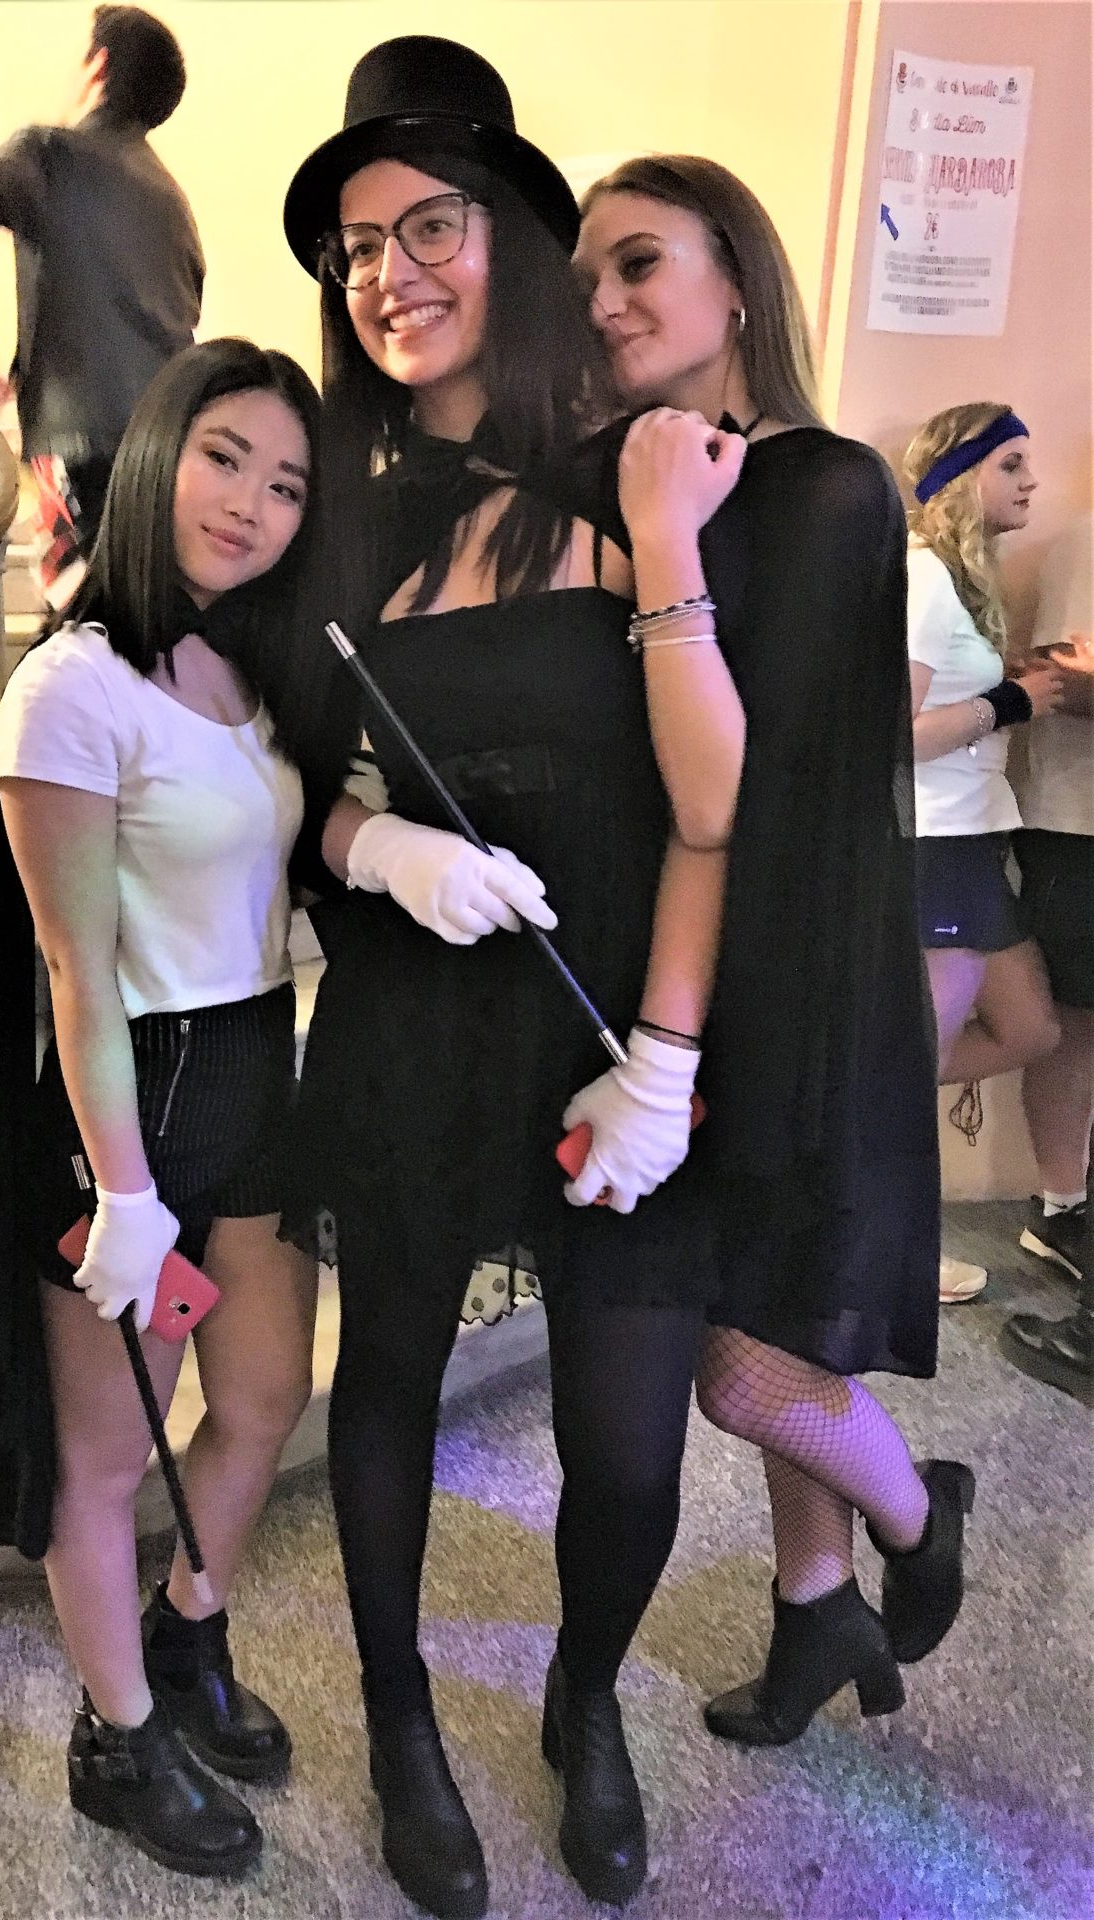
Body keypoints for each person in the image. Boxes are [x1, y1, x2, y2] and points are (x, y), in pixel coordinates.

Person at [280, 38, 751, 1915]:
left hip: (612, 1030)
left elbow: (716, 815)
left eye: (429, 226)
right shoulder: (336, 512)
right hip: (412, 1016)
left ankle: (584, 1692)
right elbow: (281, 779)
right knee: (386, 1375)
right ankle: (398, 1711)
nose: (384, 272)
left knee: (628, 1441)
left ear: (516, 243)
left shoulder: (635, 479)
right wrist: (371, 845)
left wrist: (668, 1058)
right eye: (354, 247)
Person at [576, 158, 974, 1758]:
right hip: (690, 961)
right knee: (771, 1312)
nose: (605, 302)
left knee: (745, 1367)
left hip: (797, 975)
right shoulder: (648, 475)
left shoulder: (823, 486)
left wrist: (662, 536)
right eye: (589, 279)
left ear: (737, 279)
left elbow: (742, 794)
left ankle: (916, 1511)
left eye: (639, 262)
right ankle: (815, 1605)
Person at [0, 338, 321, 1879]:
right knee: (107, 1463)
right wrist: (122, 1188)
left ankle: (188, 1629)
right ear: (162, 453)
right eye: (225, 458)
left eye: (286, 483)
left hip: (257, 1076)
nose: (250, 503)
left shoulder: (255, 672)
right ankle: (116, 1736)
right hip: (137, 1105)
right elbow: (75, 970)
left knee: (264, 1399)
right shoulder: (70, 687)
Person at [0, 5, 204, 602]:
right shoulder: (174, 204)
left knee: (79, 620)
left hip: (77, 441)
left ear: (97, 67)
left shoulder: (54, 153)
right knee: (136, 618)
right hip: (165, 452)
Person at [902, 404, 1063, 1302]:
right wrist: (1011, 702)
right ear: (959, 478)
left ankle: (848, 1100)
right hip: (932, 846)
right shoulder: (924, 577)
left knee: (1031, 1027)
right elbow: (892, 734)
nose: (1031, 481)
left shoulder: (957, 583)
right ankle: (892, 1251)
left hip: (970, 841)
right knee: (910, 1063)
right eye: (1010, 464)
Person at [1004, 513, 1094, 1400]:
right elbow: (1062, 680)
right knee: (1064, 1025)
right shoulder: (1087, 541)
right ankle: (1064, 1210)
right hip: (1078, 824)